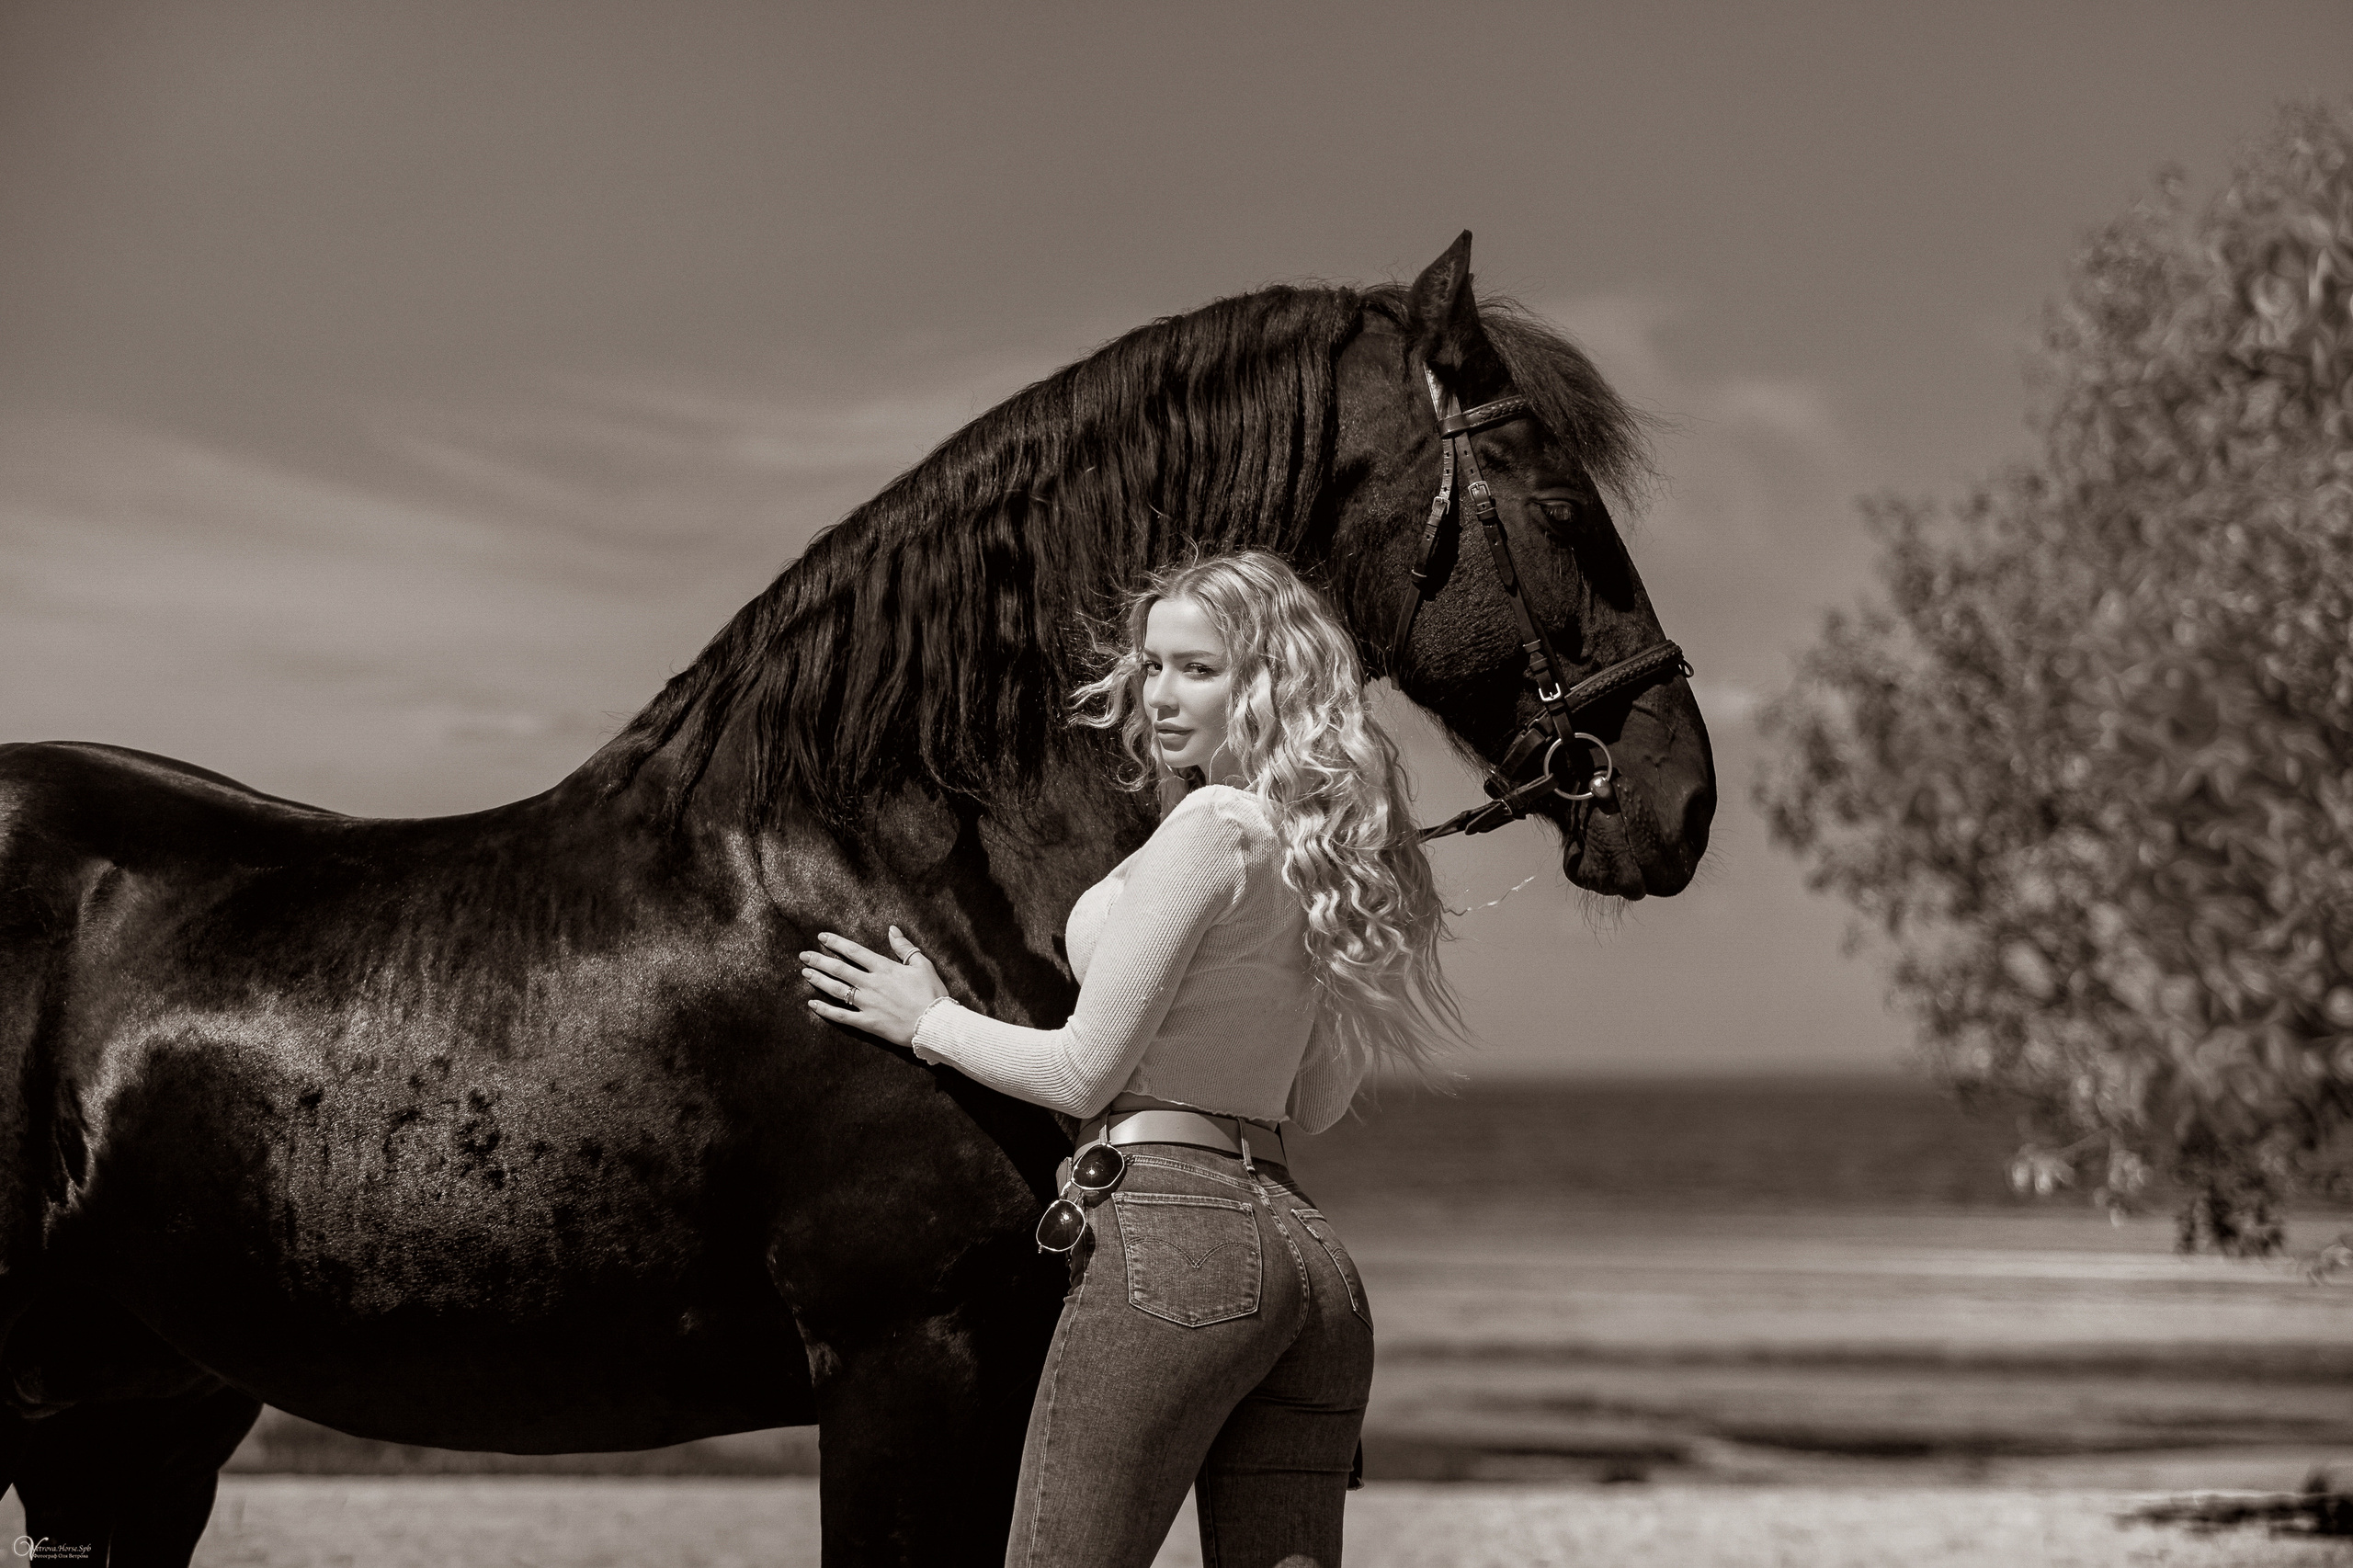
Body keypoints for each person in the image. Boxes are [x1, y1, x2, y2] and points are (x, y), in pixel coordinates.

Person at [797, 549, 1463, 1568]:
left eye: (1196, 668)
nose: (1158, 693)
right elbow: (1315, 1102)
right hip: (1313, 1267)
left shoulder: (1209, 828)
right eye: (1150, 664)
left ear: (1269, 681)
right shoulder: (1310, 848)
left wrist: (923, 1016)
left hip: (1171, 1242)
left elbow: (1080, 1075)